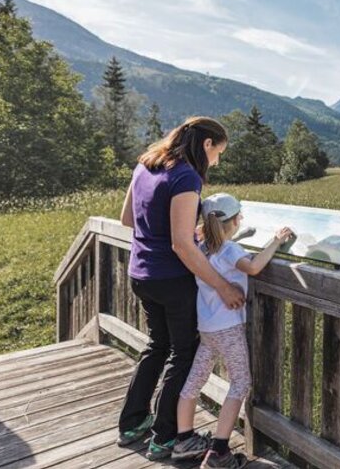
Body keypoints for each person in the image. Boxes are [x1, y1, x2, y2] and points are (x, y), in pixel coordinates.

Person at [116, 117, 247, 461]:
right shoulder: (187, 176)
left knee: (157, 345)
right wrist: (222, 286)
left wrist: (185, 231)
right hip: (172, 279)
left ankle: (132, 423)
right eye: (219, 152)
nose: (217, 160)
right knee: (182, 353)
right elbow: (181, 246)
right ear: (207, 145)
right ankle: (167, 437)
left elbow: (128, 219)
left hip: (141, 274)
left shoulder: (146, 164)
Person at [171, 193, 294, 468]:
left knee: (195, 379)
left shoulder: (202, 248)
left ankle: (183, 440)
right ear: (235, 220)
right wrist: (276, 240)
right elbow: (253, 267)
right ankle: (219, 452)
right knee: (240, 383)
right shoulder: (230, 250)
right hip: (228, 328)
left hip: (208, 328)